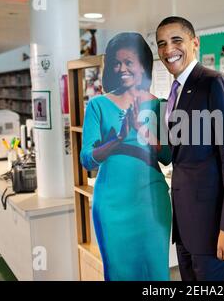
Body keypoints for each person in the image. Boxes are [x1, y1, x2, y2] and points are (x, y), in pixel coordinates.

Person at [156, 16, 224, 281]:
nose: (168, 50)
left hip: (217, 230)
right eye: (161, 44)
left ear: (194, 43)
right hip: (188, 228)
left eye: (176, 40)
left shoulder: (215, 83)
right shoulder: (175, 93)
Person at [80, 32, 172, 281]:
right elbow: (87, 158)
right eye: (116, 63)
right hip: (112, 205)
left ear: (143, 64)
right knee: (120, 273)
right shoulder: (97, 105)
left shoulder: (160, 106)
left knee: (156, 273)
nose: (122, 68)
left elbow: (167, 156)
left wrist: (143, 130)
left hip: (152, 204)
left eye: (128, 62)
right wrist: (119, 138)